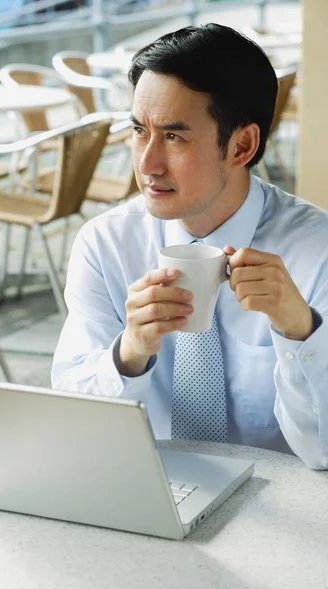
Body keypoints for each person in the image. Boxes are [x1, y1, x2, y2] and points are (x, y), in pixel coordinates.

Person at [52, 23, 328, 470]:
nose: (146, 165)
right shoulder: (105, 244)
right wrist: (129, 352)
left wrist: (302, 331)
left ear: (242, 145)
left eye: (174, 137)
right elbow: (73, 426)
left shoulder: (319, 254)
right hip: (149, 492)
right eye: (140, 130)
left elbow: (325, 453)